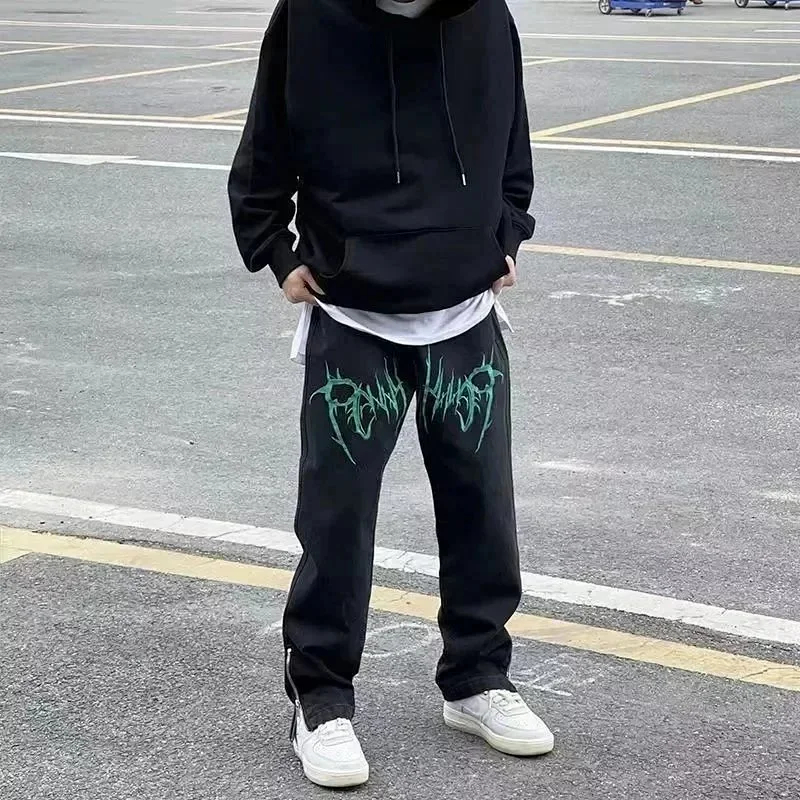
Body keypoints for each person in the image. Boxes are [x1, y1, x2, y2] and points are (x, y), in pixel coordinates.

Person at [229, 0, 553, 788]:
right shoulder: (310, 14)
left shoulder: (486, 14)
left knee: (482, 507)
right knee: (337, 518)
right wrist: (275, 249)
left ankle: (478, 676)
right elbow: (266, 140)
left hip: (464, 312)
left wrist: (507, 230)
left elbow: (511, 132)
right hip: (353, 315)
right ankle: (321, 699)